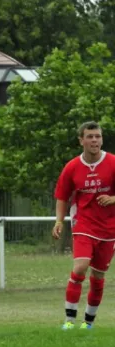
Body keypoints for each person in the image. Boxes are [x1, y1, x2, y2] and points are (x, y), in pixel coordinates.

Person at [53, 121, 115, 330]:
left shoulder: (113, 163)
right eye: (90, 136)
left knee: (97, 277)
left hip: (109, 228)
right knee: (80, 267)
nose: (94, 140)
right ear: (81, 140)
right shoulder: (72, 167)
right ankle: (69, 320)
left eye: (97, 136)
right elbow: (62, 197)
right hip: (83, 224)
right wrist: (59, 221)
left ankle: (88, 322)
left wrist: (113, 199)